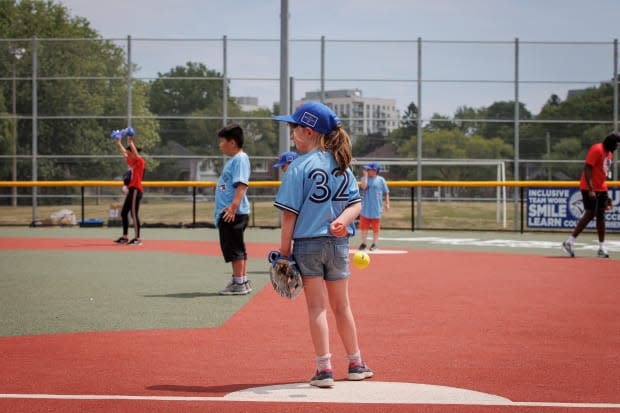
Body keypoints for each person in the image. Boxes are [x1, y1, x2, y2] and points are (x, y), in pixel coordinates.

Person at [273, 101, 373, 388]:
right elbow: (355, 204)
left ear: (307, 131)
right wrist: (342, 220)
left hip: (308, 244)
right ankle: (356, 363)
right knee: (342, 306)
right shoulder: (341, 163)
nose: (291, 134)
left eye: (293, 129)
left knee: (317, 307)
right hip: (338, 244)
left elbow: (289, 216)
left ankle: (324, 369)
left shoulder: (298, 167)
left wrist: (284, 252)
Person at [562, 132, 619, 258]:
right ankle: (569, 242)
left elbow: (603, 173)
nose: (617, 147)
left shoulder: (610, 153)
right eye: (616, 144)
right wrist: (591, 189)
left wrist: (606, 194)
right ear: (611, 142)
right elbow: (587, 168)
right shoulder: (597, 149)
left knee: (601, 215)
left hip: (601, 188)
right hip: (589, 187)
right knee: (590, 213)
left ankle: (602, 247)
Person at [214, 124, 252, 295]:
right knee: (237, 247)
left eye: (222, 141)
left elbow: (241, 184)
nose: (220, 145)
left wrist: (232, 207)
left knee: (234, 248)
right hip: (232, 211)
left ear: (232, 142)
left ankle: (239, 283)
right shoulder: (235, 160)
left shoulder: (240, 159)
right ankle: (241, 280)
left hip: (232, 213)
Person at [111, 127, 145, 246]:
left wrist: (130, 141)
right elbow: (125, 153)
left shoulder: (140, 162)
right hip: (131, 190)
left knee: (134, 214)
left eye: (129, 152)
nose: (127, 154)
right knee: (124, 213)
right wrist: (119, 142)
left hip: (136, 189)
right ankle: (125, 237)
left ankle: (137, 238)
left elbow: (134, 154)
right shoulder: (131, 161)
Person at [358, 162, 389, 251]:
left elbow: (386, 192)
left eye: (370, 169)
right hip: (366, 208)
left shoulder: (381, 180)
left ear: (375, 171)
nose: (368, 171)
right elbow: (363, 187)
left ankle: (375, 244)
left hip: (376, 207)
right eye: (367, 169)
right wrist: (366, 176)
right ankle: (363, 243)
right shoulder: (364, 178)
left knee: (375, 228)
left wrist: (387, 203)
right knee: (364, 227)